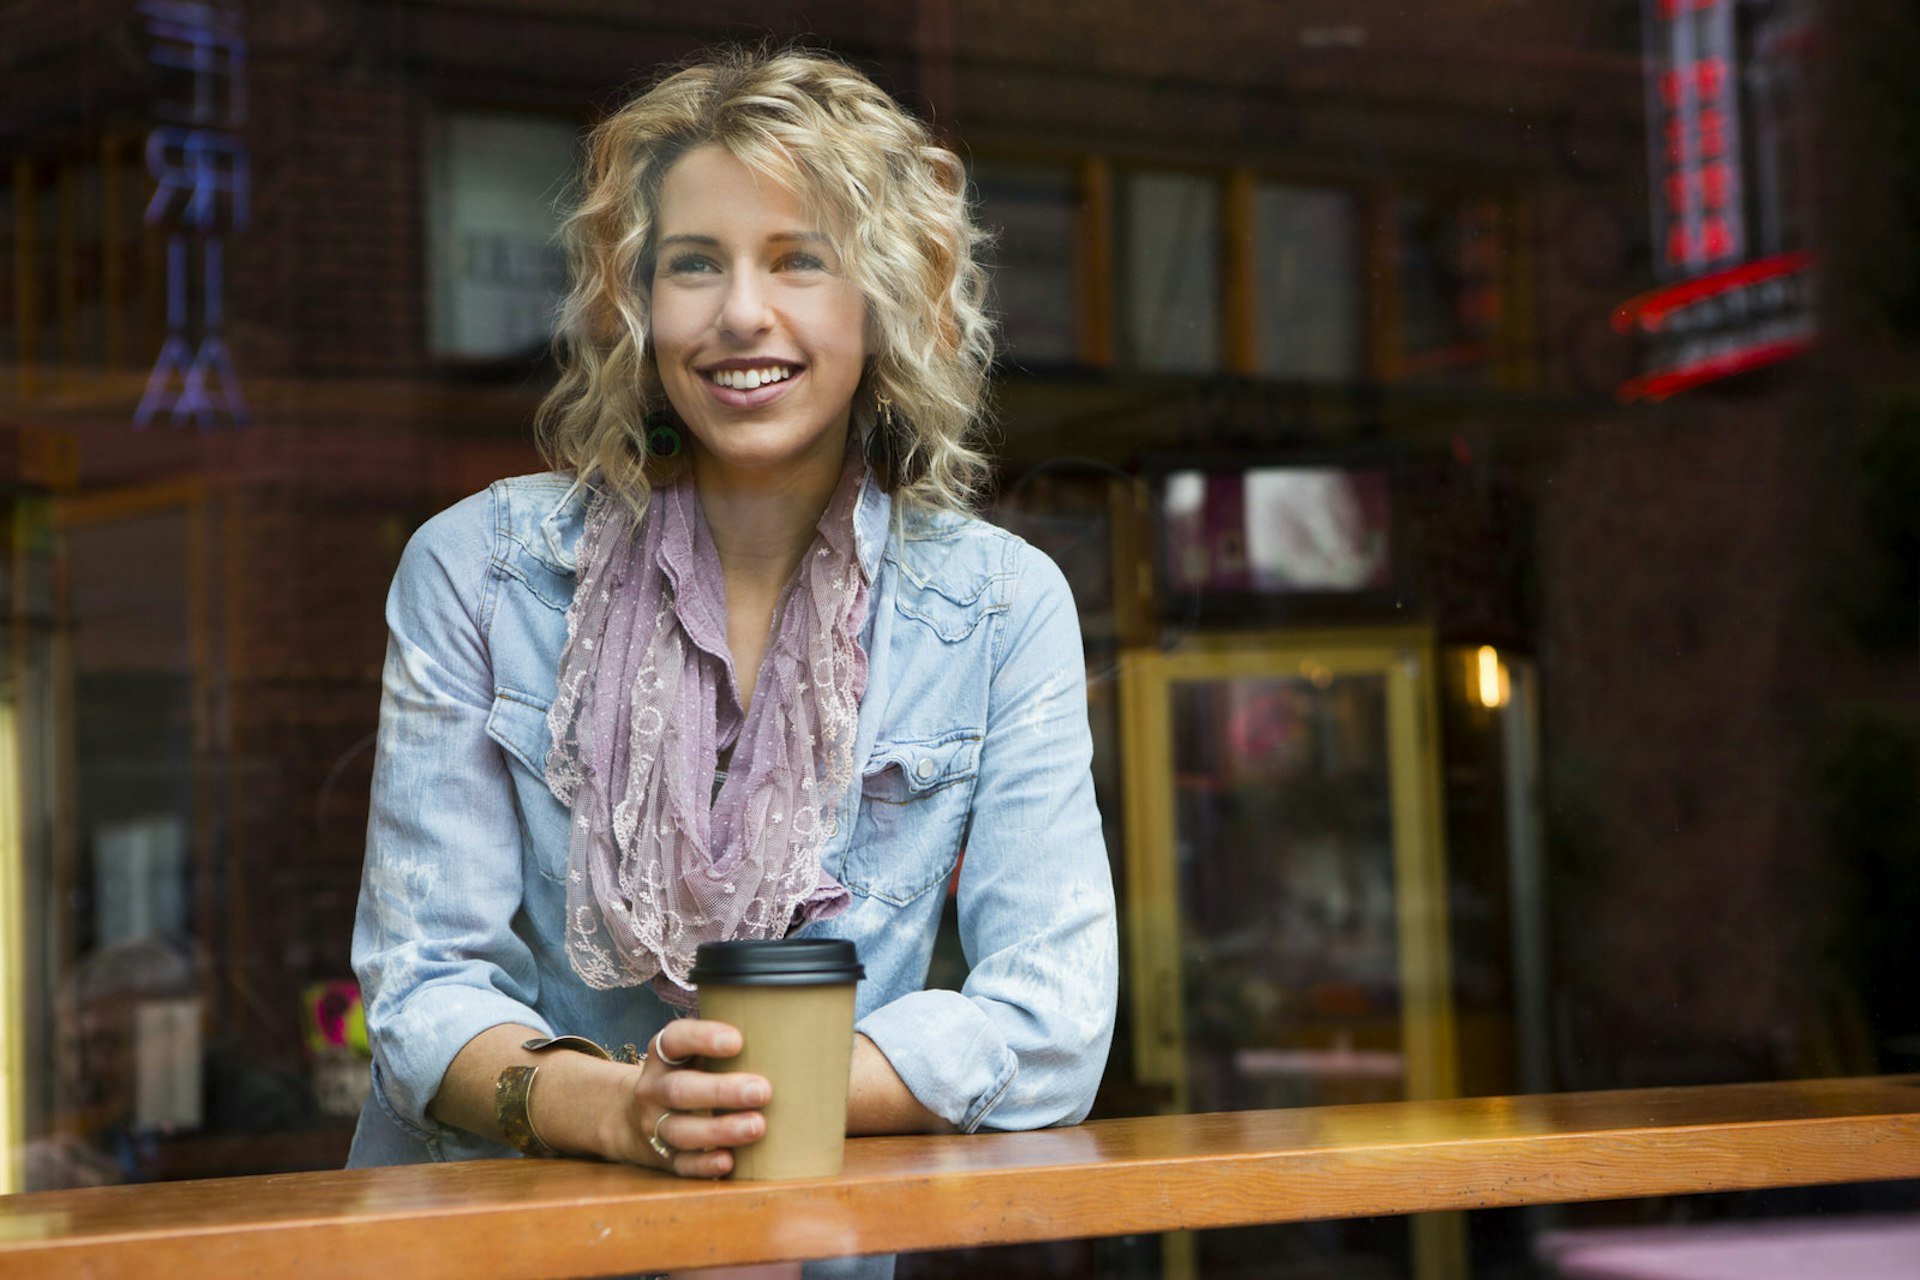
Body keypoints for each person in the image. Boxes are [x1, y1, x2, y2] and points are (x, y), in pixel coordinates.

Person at [346, 39, 1117, 1239]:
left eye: (799, 260)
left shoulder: (1002, 608)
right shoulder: (476, 573)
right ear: (637, 302)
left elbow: (1052, 1018)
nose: (741, 312)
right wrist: (617, 1106)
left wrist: (732, 1104)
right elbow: (417, 991)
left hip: (804, 1252)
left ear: (886, 296)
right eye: (694, 263)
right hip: (494, 1248)